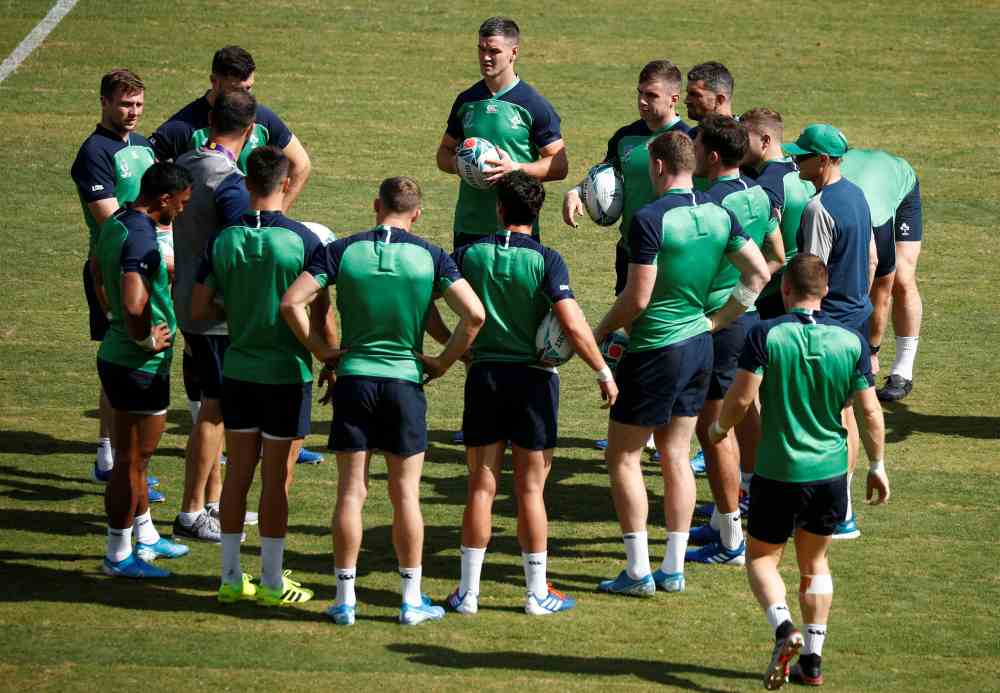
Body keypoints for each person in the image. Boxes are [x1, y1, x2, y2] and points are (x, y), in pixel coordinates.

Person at [281, 177, 485, 626]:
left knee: (351, 493)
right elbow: (474, 315)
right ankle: (411, 600)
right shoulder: (432, 257)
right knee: (405, 494)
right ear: (416, 214)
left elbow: (292, 302)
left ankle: (344, 599)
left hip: (353, 381)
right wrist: (442, 363)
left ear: (376, 206)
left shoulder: (343, 251)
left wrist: (322, 353)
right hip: (403, 385)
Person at [592, 131, 769, 596]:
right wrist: (718, 320)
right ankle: (672, 567)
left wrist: (598, 332)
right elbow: (760, 273)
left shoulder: (650, 219)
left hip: (655, 349)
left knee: (623, 456)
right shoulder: (719, 212)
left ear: (657, 166)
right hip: (698, 347)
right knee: (675, 455)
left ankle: (636, 571)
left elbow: (637, 298)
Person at [706, 254, 890, 689]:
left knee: (762, 559)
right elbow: (869, 412)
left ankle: (782, 626)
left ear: (785, 289)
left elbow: (742, 399)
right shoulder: (851, 342)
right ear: (824, 291)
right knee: (815, 564)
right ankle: (813, 660)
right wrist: (878, 465)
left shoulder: (765, 335)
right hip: (828, 475)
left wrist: (718, 429)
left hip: (777, 471)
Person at [446, 171, 618, 617]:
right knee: (530, 491)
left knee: (480, 488)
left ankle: (467, 594)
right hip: (534, 383)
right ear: (536, 212)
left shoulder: (467, 255)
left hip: (483, 378)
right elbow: (574, 324)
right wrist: (601, 370)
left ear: (499, 209)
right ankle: (536, 594)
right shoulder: (547, 260)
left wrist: (454, 352)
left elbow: (434, 300)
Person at [191, 146, 336, 606]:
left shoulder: (222, 240)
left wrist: (236, 305)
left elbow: (197, 308)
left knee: (236, 479)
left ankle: (231, 578)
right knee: (276, 481)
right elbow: (320, 311)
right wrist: (331, 357)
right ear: (286, 183)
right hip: (287, 373)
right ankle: (272, 582)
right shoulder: (304, 241)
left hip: (237, 370)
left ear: (247, 185)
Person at [562, 59, 690, 454]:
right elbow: (603, 172)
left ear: (674, 97)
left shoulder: (689, 139)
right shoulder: (626, 137)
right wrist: (575, 191)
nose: (642, 102)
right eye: (639, 93)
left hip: (676, 256)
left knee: (666, 340)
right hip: (631, 252)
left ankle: (676, 427)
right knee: (636, 337)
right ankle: (642, 424)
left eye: (651, 96)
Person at [685, 115, 784, 566]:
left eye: (697, 145)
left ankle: (729, 538)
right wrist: (746, 299)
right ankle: (749, 500)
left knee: (714, 430)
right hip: (747, 320)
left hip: (718, 324)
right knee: (745, 413)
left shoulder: (710, 204)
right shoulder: (760, 195)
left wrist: (720, 313)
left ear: (711, 155)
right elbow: (777, 256)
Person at [93, 162, 194, 578]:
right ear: (165, 199)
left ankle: (146, 534)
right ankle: (118, 554)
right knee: (131, 462)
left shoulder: (118, 221)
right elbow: (136, 302)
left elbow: (97, 272)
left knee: (135, 461)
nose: (183, 212)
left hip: (118, 357)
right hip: (139, 364)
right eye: (182, 203)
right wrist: (143, 338)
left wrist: (112, 315)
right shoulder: (141, 236)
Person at [784, 124, 877, 540]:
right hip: (856, 315)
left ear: (822, 161)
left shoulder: (818, 208)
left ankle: (835, 510)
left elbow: (811, 275)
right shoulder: (857, 195)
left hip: (829, 322)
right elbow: (873, 259)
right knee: (846, 411)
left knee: (828, 414)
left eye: (802, 157)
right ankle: (844, 506)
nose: (795, 161)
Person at [171, 90, 255, 543]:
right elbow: (237, 249)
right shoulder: (230, 182)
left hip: (185, 300)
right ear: (250, 129)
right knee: (214, 411)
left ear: (209, 121)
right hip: (216, 314)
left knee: (211, 403)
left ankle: (217, 504)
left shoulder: (185, 163)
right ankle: (190, 511)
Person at [70, 69, 157, 491]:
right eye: (125, 104)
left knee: (138, 358)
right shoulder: (93, 153)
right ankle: (111, 455)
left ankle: (124, 457)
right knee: (121, 361)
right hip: (110, 269)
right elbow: (111, 221)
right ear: (104, 102)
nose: (133, 112)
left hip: (148, 266)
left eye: (138, 104)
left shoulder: (143, 146)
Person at [436, 16, 567, 248]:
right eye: (481, 49)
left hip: (518, 229)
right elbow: (444, 152)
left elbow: (559, 165)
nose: (485, 57)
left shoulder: (533, 104)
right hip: (469, 227)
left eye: (494, 51)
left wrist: (515, 169)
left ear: (513, 53)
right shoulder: (467, 101)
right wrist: (456, 164)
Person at [149, 45, 311, 209]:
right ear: (215, 82)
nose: (245, 96)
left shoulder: (262, 118)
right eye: (236, 90)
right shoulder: (183, 127)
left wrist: (276, 215)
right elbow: (146, 169)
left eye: (248, 88)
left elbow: (301, 164)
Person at [841, 148, 923, 401]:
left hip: (897, 181)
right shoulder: (819, 205)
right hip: (864, 184)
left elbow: (881, 288)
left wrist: (872, 349)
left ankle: (903, 370)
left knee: (901, 278)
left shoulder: (876, 219)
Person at [740, 108, 816, 319]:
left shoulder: (767, 186)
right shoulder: (799, 169)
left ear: (765, 140)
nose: (737, 145)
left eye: (743, 138)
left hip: (771, 293)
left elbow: (759, 244)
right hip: (802, 284)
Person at [683, 61, 735, 191]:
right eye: (688, 93)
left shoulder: (746, 141)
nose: (686, 100)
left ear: (720, 100)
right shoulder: (690, 137)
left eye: (695, 94)